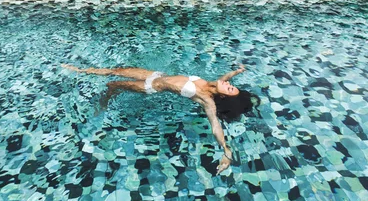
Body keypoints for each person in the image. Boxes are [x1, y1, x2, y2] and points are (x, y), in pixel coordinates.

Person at [62, 63, 259, 174]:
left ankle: (102, 106)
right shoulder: (212, 84)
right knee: (117, 70)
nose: (228, 83)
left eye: (230, 88)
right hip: (155, 74)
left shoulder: (207, 100)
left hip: (151, 87)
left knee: (113, 84)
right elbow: (226, 78)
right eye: (230, 84)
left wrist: (226, 150)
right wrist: (237, 71)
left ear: (224, 96)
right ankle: (79, 70)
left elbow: (215, 124)